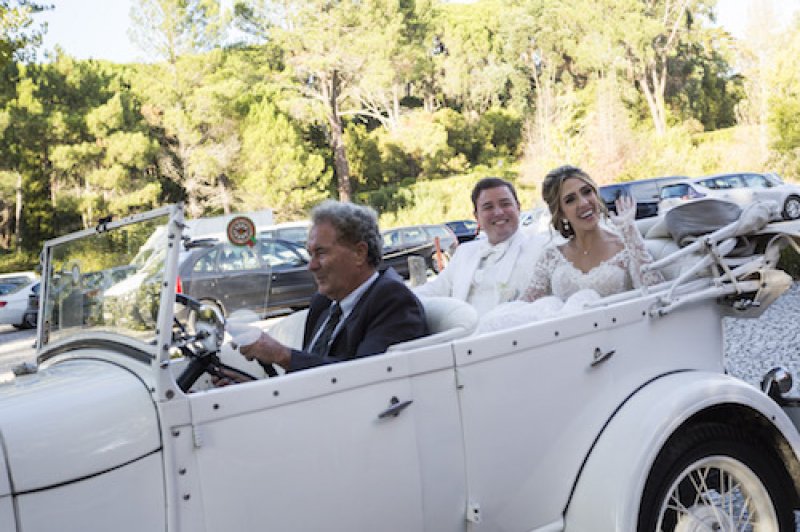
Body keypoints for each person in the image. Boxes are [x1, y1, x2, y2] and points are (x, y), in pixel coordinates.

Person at [237, 200, 429, 372]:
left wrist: (282, 355)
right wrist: (246, 383)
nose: (311, 266)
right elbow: (306, 377)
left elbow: (365, 378)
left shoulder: (392, 301)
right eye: (310, 254)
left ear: (359, 253)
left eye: (321, 253)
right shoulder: (323, 304)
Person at [478, 165, 664, 332]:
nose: (583, 203)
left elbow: (658, 295)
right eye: (570, 200)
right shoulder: (552, 256)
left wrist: (630, 231)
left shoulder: (625, 246)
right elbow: (526, 306)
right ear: (561, 212)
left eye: (587, 192)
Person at [414, 177, 543, 315]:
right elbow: (435, 289)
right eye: (488, 207)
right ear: (477, 216)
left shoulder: (539, 248)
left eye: (505, 204)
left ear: (518, 208)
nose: (498, 212)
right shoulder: (464, 252)